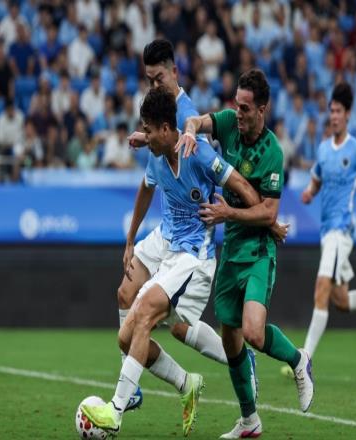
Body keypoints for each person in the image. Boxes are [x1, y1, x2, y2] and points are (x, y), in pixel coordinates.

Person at [81, 86, 262, 436]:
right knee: (126, 336)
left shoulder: (199, 153)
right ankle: (186, 382)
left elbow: (243, 187)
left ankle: (115, 411)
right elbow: (146, 186)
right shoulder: (156, 153)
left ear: (167, 128)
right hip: (169, 247)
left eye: (149, 130)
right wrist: (130, 238)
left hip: (195, 258)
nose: (145, 136)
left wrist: (239, 215)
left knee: (145, 312)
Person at [123, 39, 279, 411]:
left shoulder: (186, 114)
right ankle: (137, 384)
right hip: (167, 231)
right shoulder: (159, 112)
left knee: (176, 324)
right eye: (149, 80)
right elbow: (149, 182)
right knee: (126, 295)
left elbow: (213, 169)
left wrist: (265, 218)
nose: (153, 86)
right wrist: (130, 238)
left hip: (192, 236)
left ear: (174, 73)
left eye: (158, 78)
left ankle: (234, 360)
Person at [178, 68, 314, 439]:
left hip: (258, 251)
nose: (238, 113)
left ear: (262, 110)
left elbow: (269, 214)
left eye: (245, 108)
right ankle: (249, 420)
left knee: (252, 332)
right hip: (231, 250)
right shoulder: (226, 123)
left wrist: (227, 214)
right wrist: (190, 130)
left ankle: (298, 359)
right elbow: (197, 120)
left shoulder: (272, 152)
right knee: (230, 338)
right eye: (236, 105)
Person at [280, 82, 356, 378]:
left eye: (338, 111)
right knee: (341, 300)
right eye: (331, 111)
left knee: (321, 289)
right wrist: (309, 192)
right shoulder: (324, 149)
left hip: (341, 230)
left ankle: (303, 361)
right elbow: (316, 180)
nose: (333, 116)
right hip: (327, 232)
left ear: (348, 114)